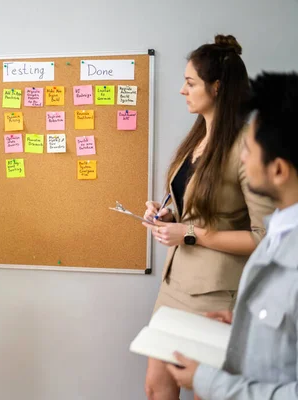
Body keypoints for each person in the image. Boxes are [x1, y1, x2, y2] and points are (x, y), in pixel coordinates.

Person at [142, 35, 274, 400]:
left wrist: (190, 233)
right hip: (173, 287)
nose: (182, 90)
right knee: (156, 388)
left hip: (214, 297)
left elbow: (265, 238)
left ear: (216, 88)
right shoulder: (198, 137)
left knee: (206, 393)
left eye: (190, 83)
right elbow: (195, 206)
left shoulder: (248, 148)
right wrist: (168, 213)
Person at [167, 71, 298, 400]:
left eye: (248, 150)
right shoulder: (281, 236)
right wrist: (247, 323)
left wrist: (210, 383)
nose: (241, 157)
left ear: (278, 169)